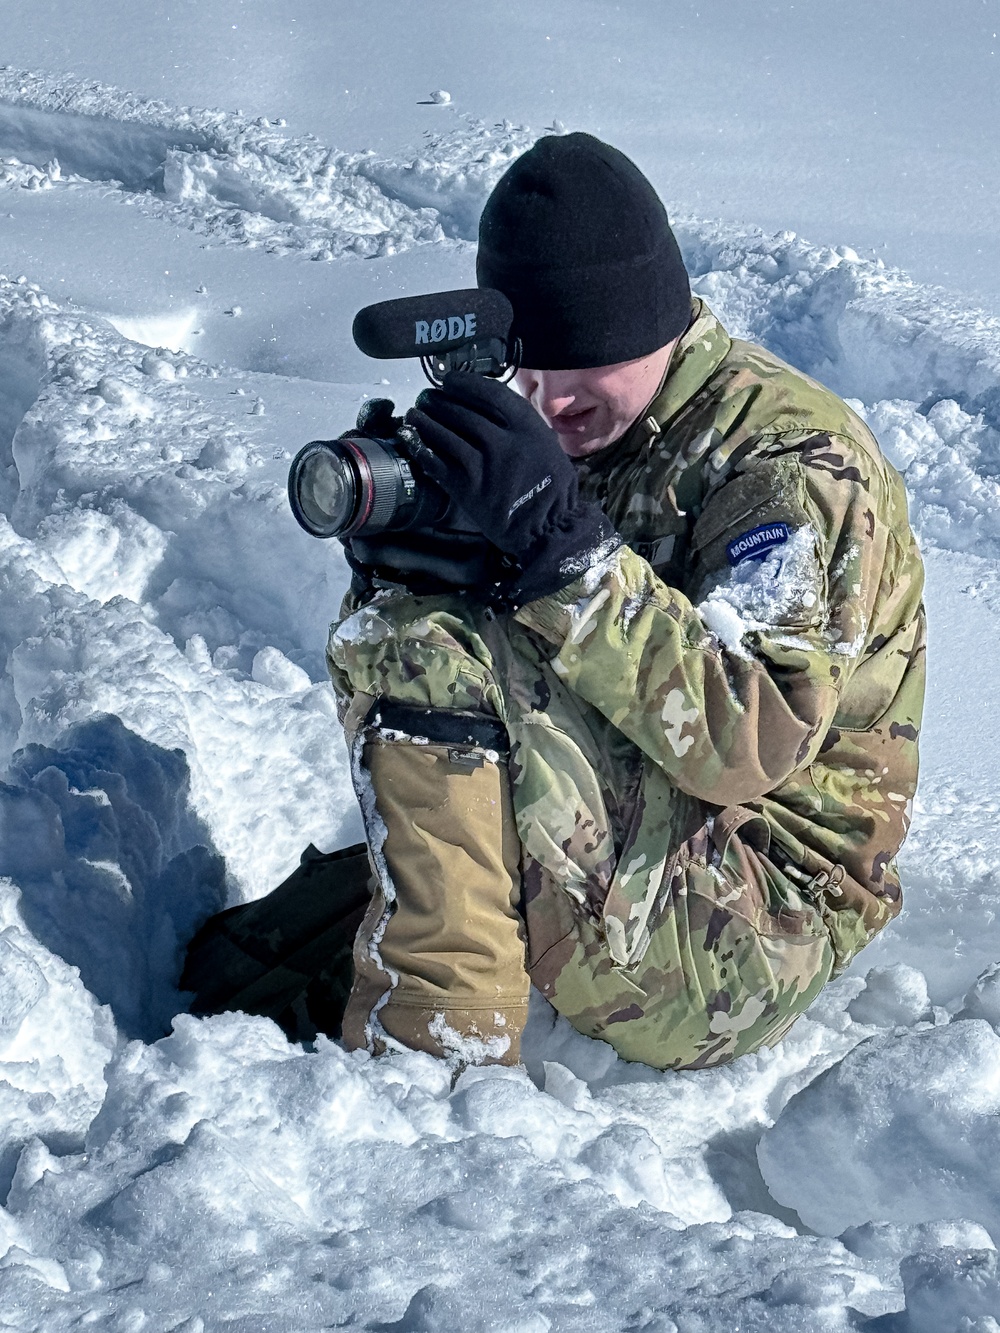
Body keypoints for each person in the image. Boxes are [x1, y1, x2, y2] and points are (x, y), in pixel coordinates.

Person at [187, 132, 925, 1072]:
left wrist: (559, 552)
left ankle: (432, 1068)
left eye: (587, 363)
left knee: (428, 653)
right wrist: (428, 554)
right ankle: (429, 976)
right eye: (527, 370)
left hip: (757, 920)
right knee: (413, 624)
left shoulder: (786, 469)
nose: (551, 401)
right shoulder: (591, 422)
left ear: (655, 325)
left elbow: (752, 742)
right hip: (664, 839)